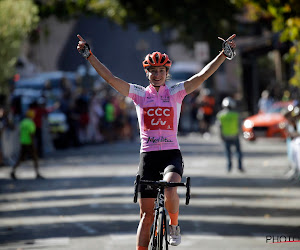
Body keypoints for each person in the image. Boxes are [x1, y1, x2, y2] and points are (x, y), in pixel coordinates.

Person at [77, 33, 236, 249]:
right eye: (153, 71)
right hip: (149, 156)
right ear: (147, 73)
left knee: (171, 187)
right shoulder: (139, 94)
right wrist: (89, 56)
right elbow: (111, 79)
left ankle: (174, 224)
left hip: (171, 153)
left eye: (161, 71)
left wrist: (222, 55)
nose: (157, 74)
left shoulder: (175, 93)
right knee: (146, 216)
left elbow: (201, 76)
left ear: (167, 73)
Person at [10, 109, 44, 180]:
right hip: (29, 143)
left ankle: (13, 171)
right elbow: (31, 134)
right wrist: (33, 144)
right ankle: (37, 173)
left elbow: (19, 133)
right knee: (35, 158)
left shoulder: (23, 122)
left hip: (23, 142)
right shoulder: (31, 123)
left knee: (21, 158)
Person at [216, 97, 244, 173]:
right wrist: (241, 134)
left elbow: (219, 127)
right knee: (238, 152)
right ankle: (240, 167)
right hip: (235, 136)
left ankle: (229, 167)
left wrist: (220, 136)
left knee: (228, 154)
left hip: (225, 136)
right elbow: (240, 125)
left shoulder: (220, 115)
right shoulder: (236, 114)